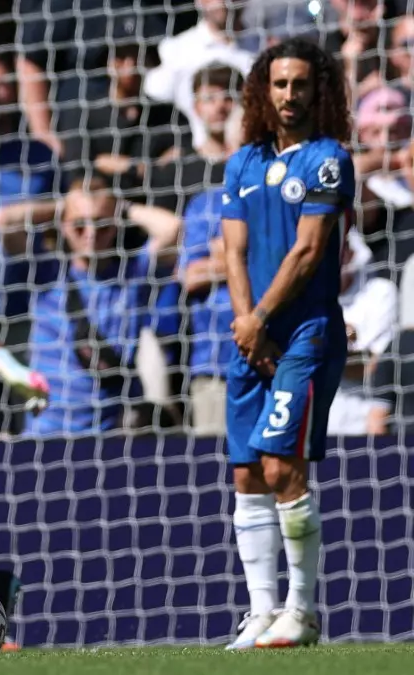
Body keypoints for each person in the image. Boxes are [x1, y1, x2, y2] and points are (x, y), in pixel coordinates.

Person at [221, 38, 354, 649]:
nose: (289, 95)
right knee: (247, 473)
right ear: (262, 90)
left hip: (304, 335)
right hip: (253, 337)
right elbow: (234, 249)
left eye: (301, 84)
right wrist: (247, 324)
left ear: (317, 90)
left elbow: (308, 251)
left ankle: (302, 612)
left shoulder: (328, 159)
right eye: (279, 84)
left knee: (282, 466)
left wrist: (262, 319)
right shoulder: (243, 161)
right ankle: (261, 611)